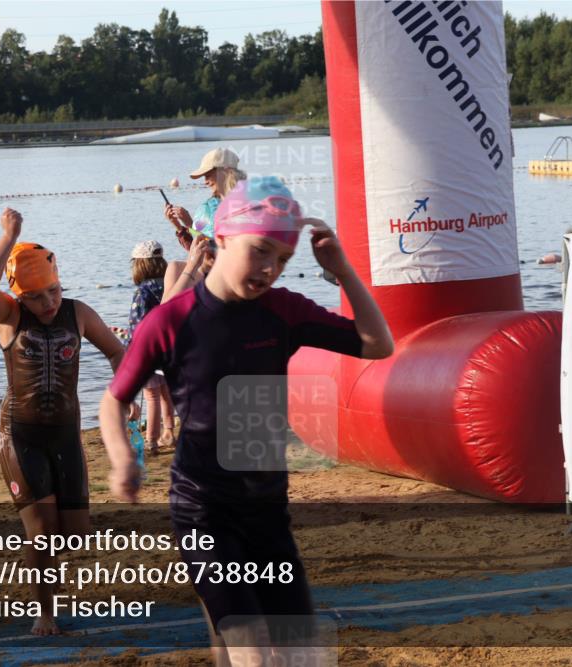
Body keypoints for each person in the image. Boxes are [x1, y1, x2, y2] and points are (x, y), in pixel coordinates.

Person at [99, 177, 394, 664]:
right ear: (222, 237)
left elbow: (378, 345)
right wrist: (122, 459)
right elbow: (113, 401)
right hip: (202, 511)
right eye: (260, 251)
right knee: (251, 652)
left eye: (282, 259)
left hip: (267, 511)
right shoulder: (171, 320)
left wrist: (341, 269)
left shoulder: (284, 310)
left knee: (303, 657)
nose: (270, 269)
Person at [0, 207, 133, 636]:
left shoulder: (78, 313)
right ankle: (45, 612)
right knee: (43, 531)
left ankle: (38, 561)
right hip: (20, 434)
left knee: (74, 535)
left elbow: (117, 352)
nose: (49, 303)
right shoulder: (9, 316)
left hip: (65, 435)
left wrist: (124, 392)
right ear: (19, 297)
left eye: (54, 291)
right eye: (37, 297)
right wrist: (9, 236)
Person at [128, 240, 176, 454]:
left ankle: (151, 440)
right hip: (169, 349)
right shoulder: (170, 284)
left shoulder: (142, 291)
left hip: (149, 350)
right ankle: (169, 432)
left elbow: (137, 323)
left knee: (151, 396)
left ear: (140, 265)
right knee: (166, 393)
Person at [165, 147, 247, 250]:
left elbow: (214, 245)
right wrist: (179, 226)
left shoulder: (248, 205)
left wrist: (189, 224)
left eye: (208, 175)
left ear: (224, 173)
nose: (205, 181)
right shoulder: (207, 208)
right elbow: (197, 243)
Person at [161, 233, 216, 304]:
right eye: (212, 244)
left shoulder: (225, 273)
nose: (215, 251)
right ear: (198, 244)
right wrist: (192, 265)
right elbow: (165, 306)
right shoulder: (178, 268)